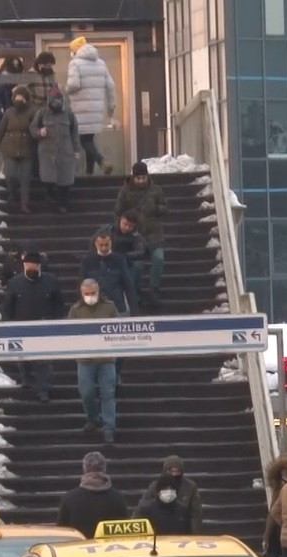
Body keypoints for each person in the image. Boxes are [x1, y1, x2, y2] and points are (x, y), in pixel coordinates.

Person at [1, 250, 65, 402]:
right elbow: (8, 307)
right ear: (24, 266)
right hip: (21, 326)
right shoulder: (14, 283)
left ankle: (44, 390)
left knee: (44, 361)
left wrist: (54, 321)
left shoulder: (51, 281)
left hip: (44, 327)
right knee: (23, 358)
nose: (32, 269)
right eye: (29, 266)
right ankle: (26, 379)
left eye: (35, 266)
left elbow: (59, 304)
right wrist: (8, 324)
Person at [68, 279, 120, 444]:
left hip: (106, 359)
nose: (90, 296)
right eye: (87, 294)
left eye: (93, 293)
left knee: (108, 394)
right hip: (85, 359)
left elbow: (119, 329)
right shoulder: (76, 310)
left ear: (98, 291)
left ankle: (109, 428)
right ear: (81, 294)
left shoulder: (109, 307)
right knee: (86, 392)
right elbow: (68, 332)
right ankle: (93, 418)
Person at [115, 162, 169, 305]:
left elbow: (165, 207)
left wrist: (157, 208)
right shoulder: (125, 191)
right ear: (133, 177)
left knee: (159, 258)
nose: (141, 181)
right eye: (138, 178)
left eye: (143, 178)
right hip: (135, 234)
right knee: (137, 265)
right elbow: (118, 211)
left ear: (147, 176)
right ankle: (136, 292)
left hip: (155, 233)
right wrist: (122, 228)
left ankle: (154, 288)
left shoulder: (155, 190)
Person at [65, 37, 116, 176]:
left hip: (81, 108)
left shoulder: (75, 63)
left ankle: (102, 161)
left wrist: (66, 90)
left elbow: (73, 84)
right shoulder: (101, 63)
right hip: (97, 108)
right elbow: (111, 85)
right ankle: (89, 172)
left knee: (83, 140)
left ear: (75, 50)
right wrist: (111, 107)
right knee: (89, 140)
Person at [0, 84, 37, 213]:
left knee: (25, 178)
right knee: (11, 175)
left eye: (21, 99)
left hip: (27, 150)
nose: (18, 101)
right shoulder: (9, 112)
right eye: (16, 98)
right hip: (9, 150)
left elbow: (36, 130)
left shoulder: (32, 112)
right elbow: (0, 131)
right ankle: (12, 192)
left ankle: (24, 204)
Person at [30, 87, 79, 213]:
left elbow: (74, 131)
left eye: (58, 102)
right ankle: (49, 195)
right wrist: (40, 132)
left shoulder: (68, 114)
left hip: (65, 152)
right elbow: (32, 128)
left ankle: (63, 203)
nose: (56, 105)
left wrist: (76, 148)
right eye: (53, 102)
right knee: (48, 178)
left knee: (65, 180)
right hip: (47, 152)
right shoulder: (42, 113)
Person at [57, 451, 128, 537]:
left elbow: (61, 533)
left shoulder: (69, 499)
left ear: (84, 469)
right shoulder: (118, 498)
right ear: (104, 469)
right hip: (110, 549)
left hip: (78, 549)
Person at [80, 228, 137, 316]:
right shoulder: (87, 261)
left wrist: (134, 311)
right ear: (95, 244)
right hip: (94, 308)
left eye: (106, 245)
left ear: (111, 243)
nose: (104, 248)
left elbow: (128, 286)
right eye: (101, 245)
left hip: (118, 307)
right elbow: (81, 285)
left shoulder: (120, 260)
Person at [138, 456, 202, 531]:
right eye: (171, 471)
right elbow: (142, 507)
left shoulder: (190, 487)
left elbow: (196, 513)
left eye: (177, 471)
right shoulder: (156, 485)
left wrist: (193, 534)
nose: (174, 474)